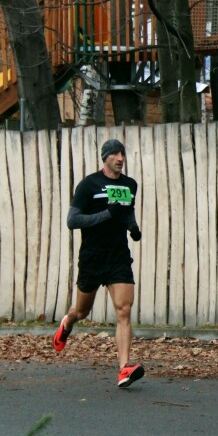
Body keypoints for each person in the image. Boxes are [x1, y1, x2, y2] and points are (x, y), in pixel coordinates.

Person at [53, 138, 145, 388]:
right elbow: (72, 221)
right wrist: (107, 215)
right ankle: (67, 323)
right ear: (104, 158)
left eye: (122, 153)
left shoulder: (130, 185)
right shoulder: (88, 185)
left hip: (118, 257)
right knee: (82, 311)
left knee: (124, 309)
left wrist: (133, 228)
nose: (120, 158)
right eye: (114, 154)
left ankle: (124, 369)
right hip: (93, 257)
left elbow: (127, 210)